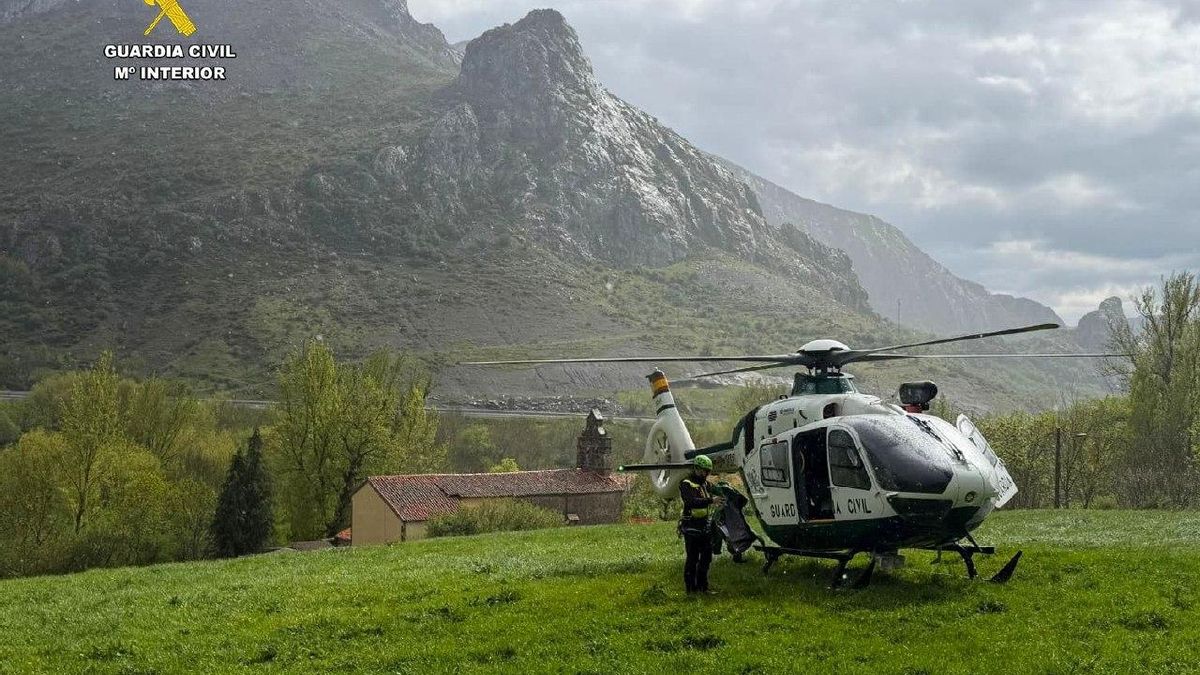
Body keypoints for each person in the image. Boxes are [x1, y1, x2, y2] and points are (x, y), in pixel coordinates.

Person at [679, 455, 724, 594]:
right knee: (692, 559)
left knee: (706, 558)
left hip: (704, 525)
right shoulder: (686, 483)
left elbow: (716, 490)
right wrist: (711, 500)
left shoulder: (705, 483)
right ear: (696, 469)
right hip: (691, 526)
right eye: (703, 471)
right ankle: (691, 589)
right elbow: (691, 501)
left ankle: (703, 587)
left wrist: (724, 491)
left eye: (708, 471)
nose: (705, 474)